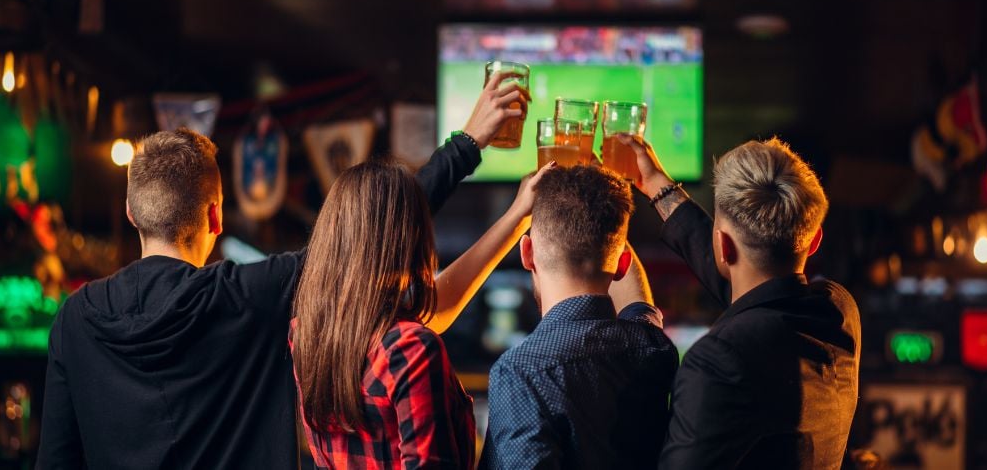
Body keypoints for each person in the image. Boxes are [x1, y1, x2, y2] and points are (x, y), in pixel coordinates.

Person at [35, 73, 530, 469]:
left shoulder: (74, 320)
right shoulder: (245, 296)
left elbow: (56, 461)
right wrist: (467, 145)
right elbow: (371, 232)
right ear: (216, 216)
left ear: (130, 212)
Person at [291, 160, 552, 469]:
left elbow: (435, 309)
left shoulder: (306, 332)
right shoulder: (410, 348)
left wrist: (517, 215)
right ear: (410, 240)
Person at [621, 136, 860, 469]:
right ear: (814, 239)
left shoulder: (719, 360)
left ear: (722, 245)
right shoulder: (837, 311)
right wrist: (658, 187)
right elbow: (754, 291)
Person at [480, 166, 679, 470]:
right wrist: (605, 220)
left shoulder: (519, 373)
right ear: (622, 264)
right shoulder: (652, 346)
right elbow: (640, 304)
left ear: (527, 253)